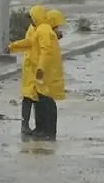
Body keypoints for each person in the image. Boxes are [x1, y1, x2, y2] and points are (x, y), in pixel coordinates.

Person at [6, 4, 46, 135]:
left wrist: (13, 46)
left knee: (39, 97)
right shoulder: (32, 28)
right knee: (28, 96)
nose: (30, 20)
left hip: (40, 68)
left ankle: (39, 126)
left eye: (32, 18)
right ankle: (25, 125)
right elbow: (28, 42)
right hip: (29, 68)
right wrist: (13, 47)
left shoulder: (43, 30)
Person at [31, 8, 66, 141]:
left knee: (46, 102)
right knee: (42, 100)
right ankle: (45, 130)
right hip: (45, 70)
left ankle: (48, 131)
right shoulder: (44, 30)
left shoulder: (43, 30)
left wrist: (40, 68)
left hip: (45, 71)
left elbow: (46, 51)